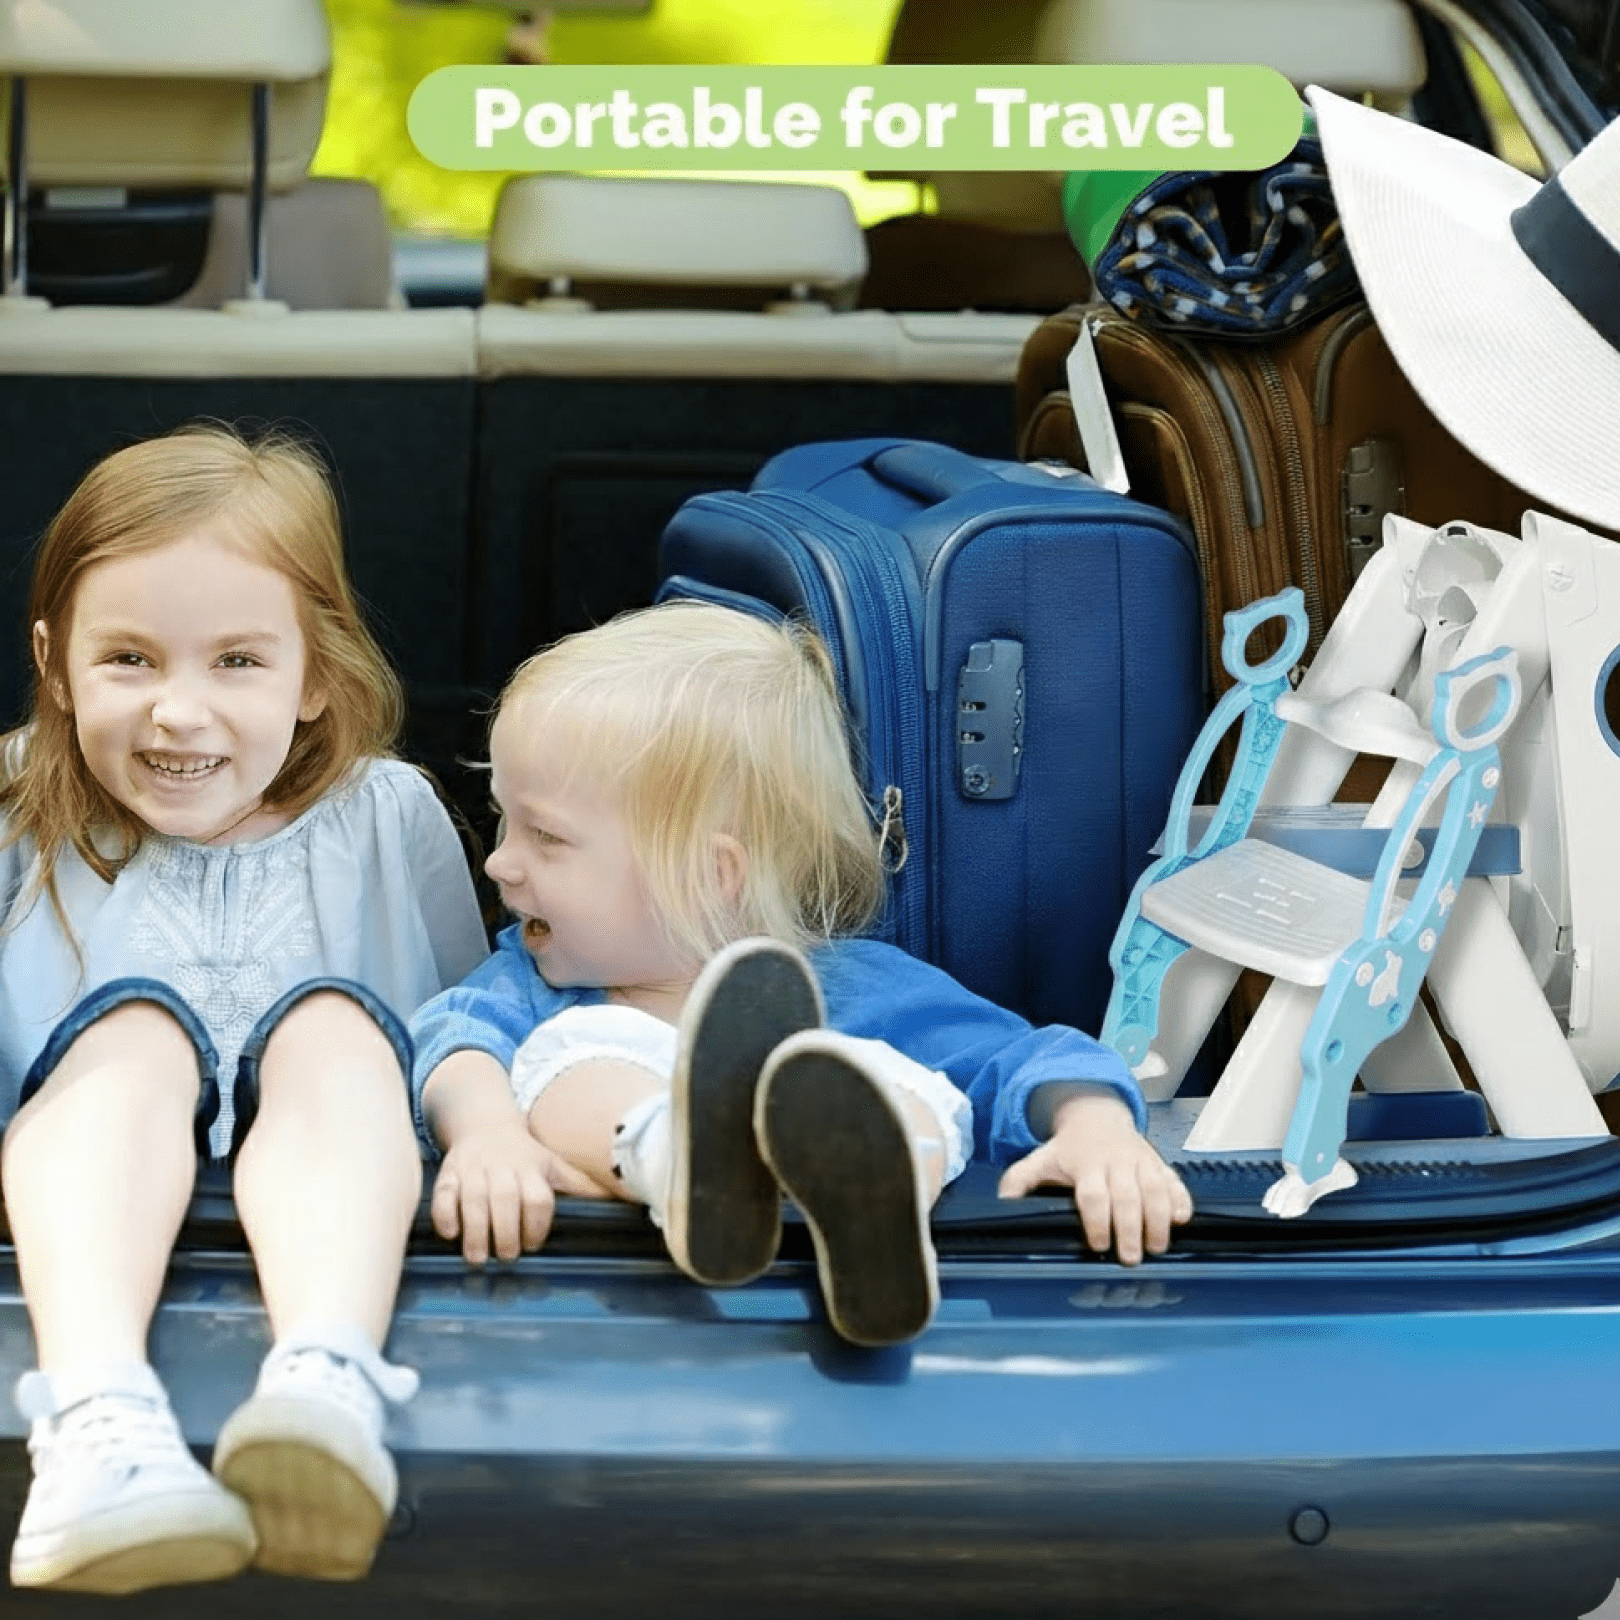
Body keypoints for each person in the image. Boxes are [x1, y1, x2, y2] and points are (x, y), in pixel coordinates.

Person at [411, 602, 1192, 1348]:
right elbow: (455, 1041)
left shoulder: (855, 987)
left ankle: (871, 1220)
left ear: (710, 874)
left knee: (906, 1090)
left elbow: (1025, 1059)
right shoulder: (538, 985)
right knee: (578, 1053)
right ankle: (688, 1159)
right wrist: (487, 1135)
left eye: (545, 837)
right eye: (505, 821)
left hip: (788, 1224)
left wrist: (1096, 1131)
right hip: (667, 1252)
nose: (499, 863)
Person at [0, 424, 488, 1594]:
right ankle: (95, 1422)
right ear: (55, 664)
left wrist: (491, 1128)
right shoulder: (19, 809)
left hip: (344, 1192)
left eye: (235, 662)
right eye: (129, 660)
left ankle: (324, 1389)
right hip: (74, 1199)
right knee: (134, 1039)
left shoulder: (388, 817)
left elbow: (462, 1028)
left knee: (337, 1030)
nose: (179, 712)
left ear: (314, 672)